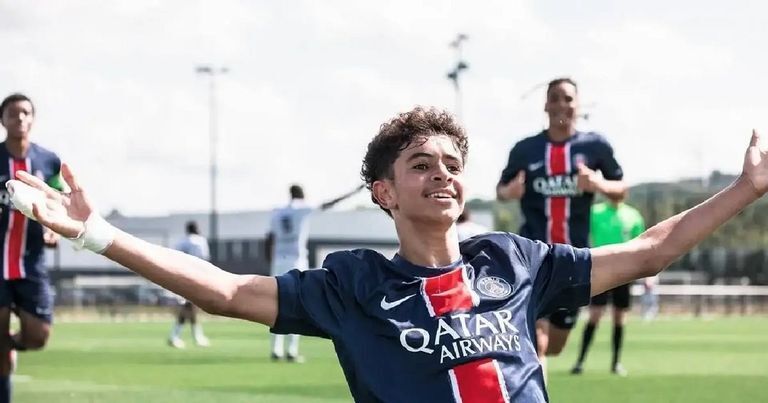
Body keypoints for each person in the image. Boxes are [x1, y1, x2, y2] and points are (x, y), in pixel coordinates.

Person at [7, 106, 767, 402]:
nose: (442, 174)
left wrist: (744, 190)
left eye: (451, 164)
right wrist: (96, 234)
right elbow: (226, 291)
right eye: (420, 165)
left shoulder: (515, 261)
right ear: (384, 192)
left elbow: (648, 250)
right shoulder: (353, 284)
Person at [496, 78, 628, 374]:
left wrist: (598, 183)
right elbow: (500, 190)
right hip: (531, 256)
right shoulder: (526, 149)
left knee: (554, 345)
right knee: (538, 341)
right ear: (545, 105)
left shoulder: (595, 146)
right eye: (554, 98)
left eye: (567, 98)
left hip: (572, 259)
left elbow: (621, 190)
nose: (561, 104)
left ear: (578, 105)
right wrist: (509, 192)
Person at [0, 93, 65, 403]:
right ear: (3, 120)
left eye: (26, 113)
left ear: (33, 119)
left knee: (38, 336)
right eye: (13, 113)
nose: (20, 118)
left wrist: (54, 230)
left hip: (31, 263)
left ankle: (11, 346)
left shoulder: (48, 161)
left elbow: (59, 202)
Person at [264, 183, 363, 362]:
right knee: (295, 303)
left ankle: (275, 349)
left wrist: (269, 260)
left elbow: (269, 238)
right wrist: (353, 192)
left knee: (275, 301)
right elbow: (328, 204)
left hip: (278, 259)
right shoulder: (302, 209)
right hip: (296, 259)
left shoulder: (277, 212)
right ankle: (291, 350)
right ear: (302, 195)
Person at [571, 197, 645, 376]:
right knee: (595, 315)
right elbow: (583, 235)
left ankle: (616, 363)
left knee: (620, 318)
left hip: (624, 272)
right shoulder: (595, 212)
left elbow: (640, 244)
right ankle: (580, 361)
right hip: (600, 269)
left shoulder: (633, 215)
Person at [167, 220, 211, 348]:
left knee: (190, 307)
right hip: (195, 276)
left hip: (181, 276)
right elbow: (204, 259)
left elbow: (173, 258)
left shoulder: (181, 241)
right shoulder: (200, 241)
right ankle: (176, 336)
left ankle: (194, 336)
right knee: (189, 307)